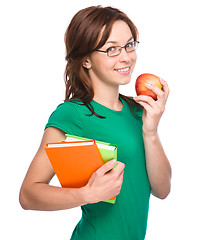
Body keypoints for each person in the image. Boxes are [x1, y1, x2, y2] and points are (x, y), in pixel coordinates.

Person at [19, 5, 171, 240]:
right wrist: (87, 194)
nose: (126, 57)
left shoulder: (138, 110)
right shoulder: (72, 115)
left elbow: (162, 190)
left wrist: (151, 131)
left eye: (129, 45)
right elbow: (28, 195)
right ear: (86, 60)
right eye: (112, 49)